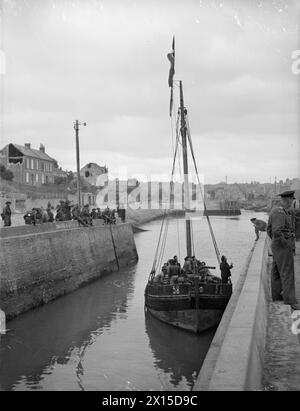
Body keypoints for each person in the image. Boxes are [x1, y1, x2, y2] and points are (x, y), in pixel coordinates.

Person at [267, 190, 299, 310]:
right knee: (287, 273)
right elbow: (276, 231)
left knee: (276, 271)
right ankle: (290, 301)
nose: (292, 202)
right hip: (283, 246)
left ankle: (276, 296)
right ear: (288, 199)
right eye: (291, 199)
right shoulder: (279, 212)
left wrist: (276, 244)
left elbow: (270, 230)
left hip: (278, 246)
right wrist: (285, 244)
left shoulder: (280, 211)